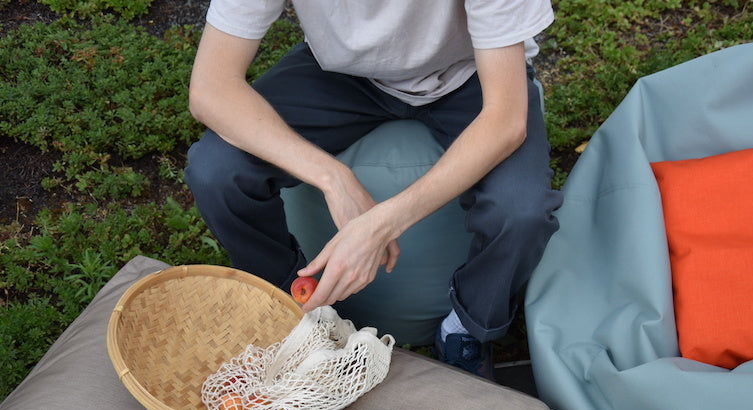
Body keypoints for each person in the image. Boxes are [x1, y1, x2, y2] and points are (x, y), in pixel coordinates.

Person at [184, 0, 563, 379]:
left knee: (521, 210)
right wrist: (334, 178)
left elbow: (506, 121)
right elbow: (210, 88)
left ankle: (467, 328)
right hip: (343, 75)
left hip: (471, 73)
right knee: (217, 170)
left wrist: (382, 223)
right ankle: (297, 310)